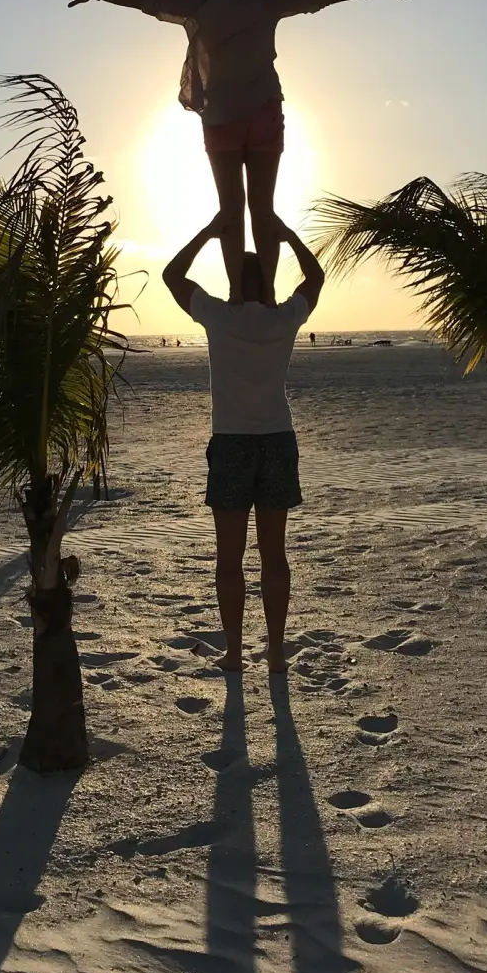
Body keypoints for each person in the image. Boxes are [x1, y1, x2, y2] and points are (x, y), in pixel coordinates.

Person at [56, 0, 422, 304]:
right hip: (247, 117)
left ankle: (251, 293)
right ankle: (255, 293)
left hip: (234, 118)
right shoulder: (256, 2)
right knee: (249, 210)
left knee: (243, 210)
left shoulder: (213, 4)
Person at [162, 214, 324, 673]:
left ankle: (235, 652)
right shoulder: (284, 318)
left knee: (229, 558)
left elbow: (172, 276)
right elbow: (316, 277)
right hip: (276, 439)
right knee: (275, 555)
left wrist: (210, 233)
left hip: (232, 442)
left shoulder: (220, 315)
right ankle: (274, 651)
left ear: (234, 278)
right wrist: (287, 237)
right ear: (269, 278)